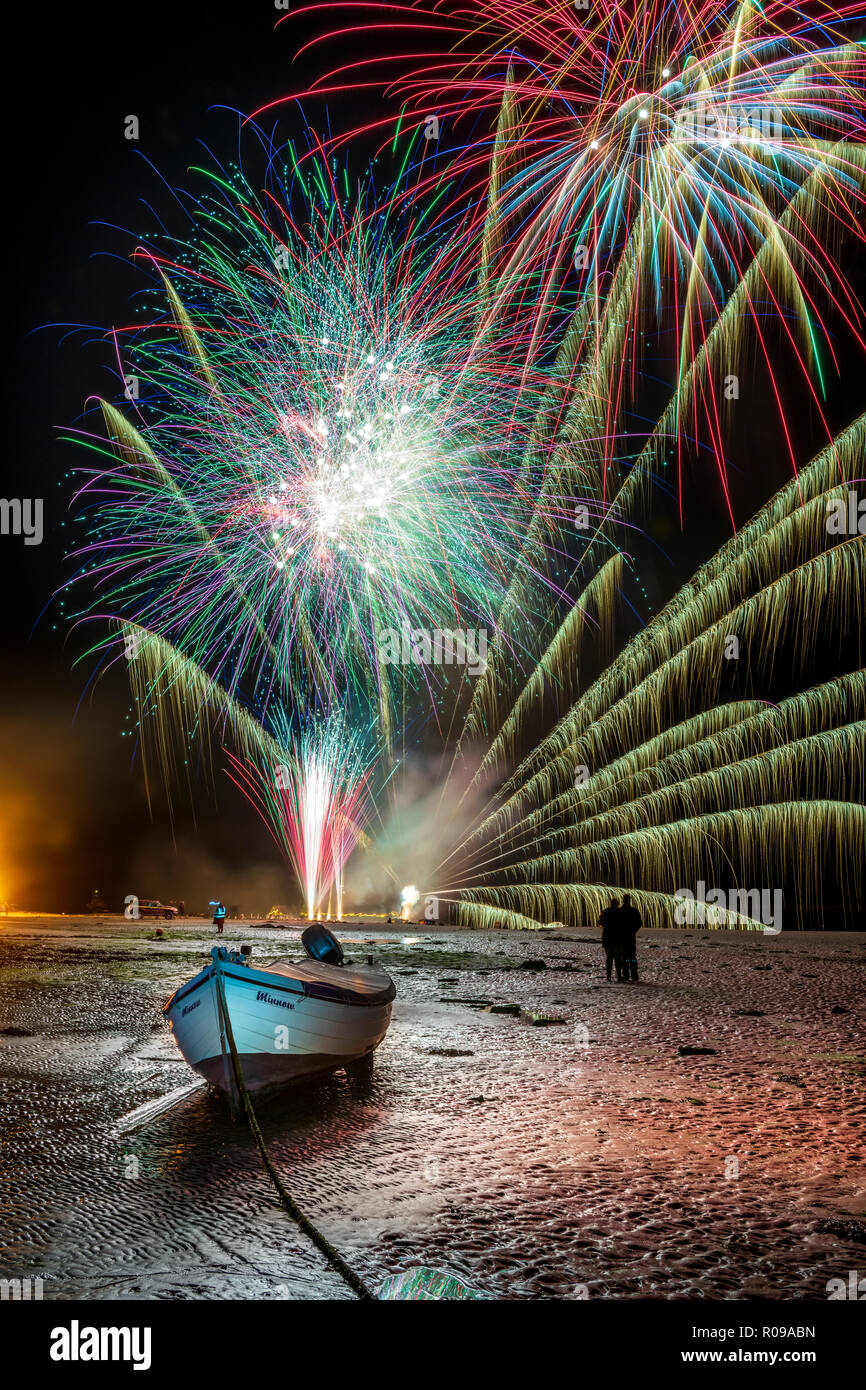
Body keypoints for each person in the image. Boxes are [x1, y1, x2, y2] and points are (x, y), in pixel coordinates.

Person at [599, 897, 625, 982]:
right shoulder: (620, 912)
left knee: (609, 959)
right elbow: (623, 924)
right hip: (617, 939)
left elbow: (600, 922)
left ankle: (608, 976)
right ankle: (619, 976)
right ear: (617, 904)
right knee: (617, 959)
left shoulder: (605, 911)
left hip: (607, 939)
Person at [618, 893, 642, 980]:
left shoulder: (619, 911)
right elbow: (639, 923)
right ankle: (634, 975)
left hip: (622, 938)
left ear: (623, 900)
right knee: (632, 957)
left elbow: (616, 924)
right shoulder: (634, 911)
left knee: (624, 957)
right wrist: (633, 930)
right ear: (630, 900)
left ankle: (626, 975)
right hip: (631, 937)